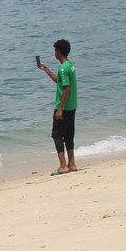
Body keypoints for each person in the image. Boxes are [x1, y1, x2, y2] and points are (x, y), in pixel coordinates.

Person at [37, 39, 78, 175]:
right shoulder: (69, 66)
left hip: (64, 107)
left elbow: (66, 89)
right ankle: (71, 164)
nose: (54, 53)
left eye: (55, 50)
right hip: (72, 106)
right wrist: (46, 69)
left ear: (58, 51)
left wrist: (59, 109)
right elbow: (59, 81)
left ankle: (62, 166)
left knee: (57, 135)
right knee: (69, 135)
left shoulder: (63, 68)